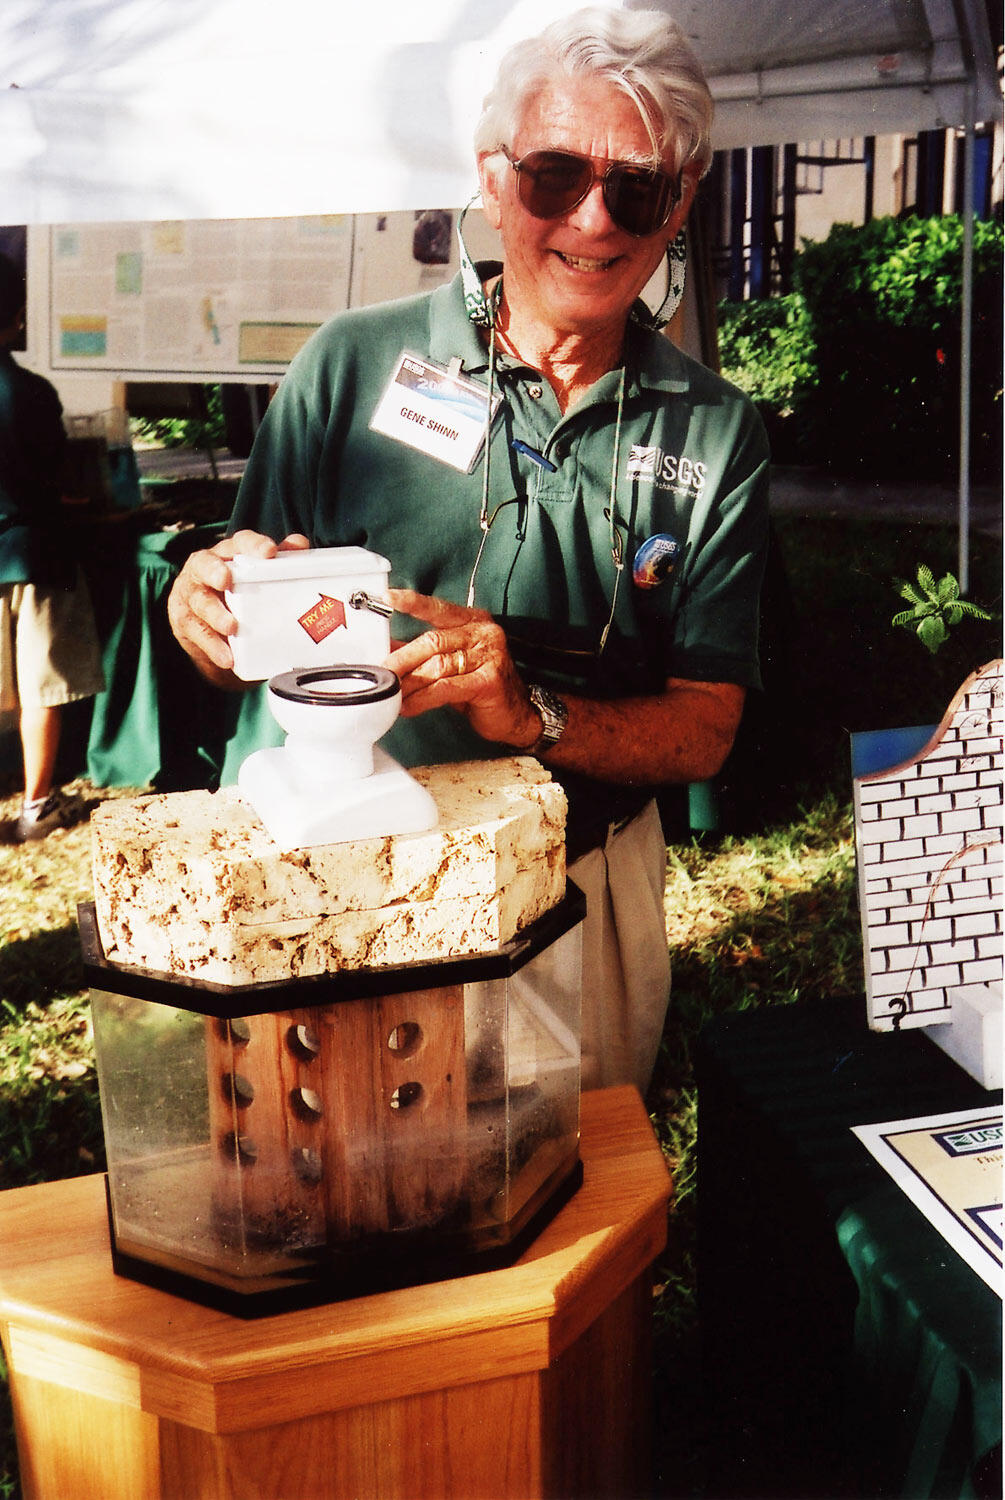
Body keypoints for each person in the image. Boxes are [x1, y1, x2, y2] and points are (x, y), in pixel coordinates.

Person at [168, 6, 770, 1094]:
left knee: (567, 1228)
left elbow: (706, 729)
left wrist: (527, 712)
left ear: (678, 205)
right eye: (553, 176)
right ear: (494, 180)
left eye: (635, 188)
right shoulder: (352, 364)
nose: (593, 218)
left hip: (575, 886)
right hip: (328, 883)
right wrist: (199, 606)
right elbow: (228, 639)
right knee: (335, 1217)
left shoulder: (713, 429)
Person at [0, 253, 105, 841]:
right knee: (40, 686)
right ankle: (36, 807)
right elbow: (55, 478)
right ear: (17, 316)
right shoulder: (32, 392)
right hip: (36, 555)